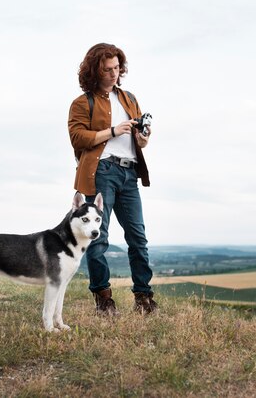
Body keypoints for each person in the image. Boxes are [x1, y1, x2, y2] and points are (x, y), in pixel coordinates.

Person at [67, 43, 157, 316]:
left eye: (117, 68)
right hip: (101, 171)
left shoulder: (129, 98)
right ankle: (104, 301)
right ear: (95, 70)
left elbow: (140, 141)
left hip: (129, 172)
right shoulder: (82, 103)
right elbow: (77, 137)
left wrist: (142, 138)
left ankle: (144, 299)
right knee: (98, 238)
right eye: (108, 69)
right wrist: (112, 130)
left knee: (138, 238)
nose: (114, 74)